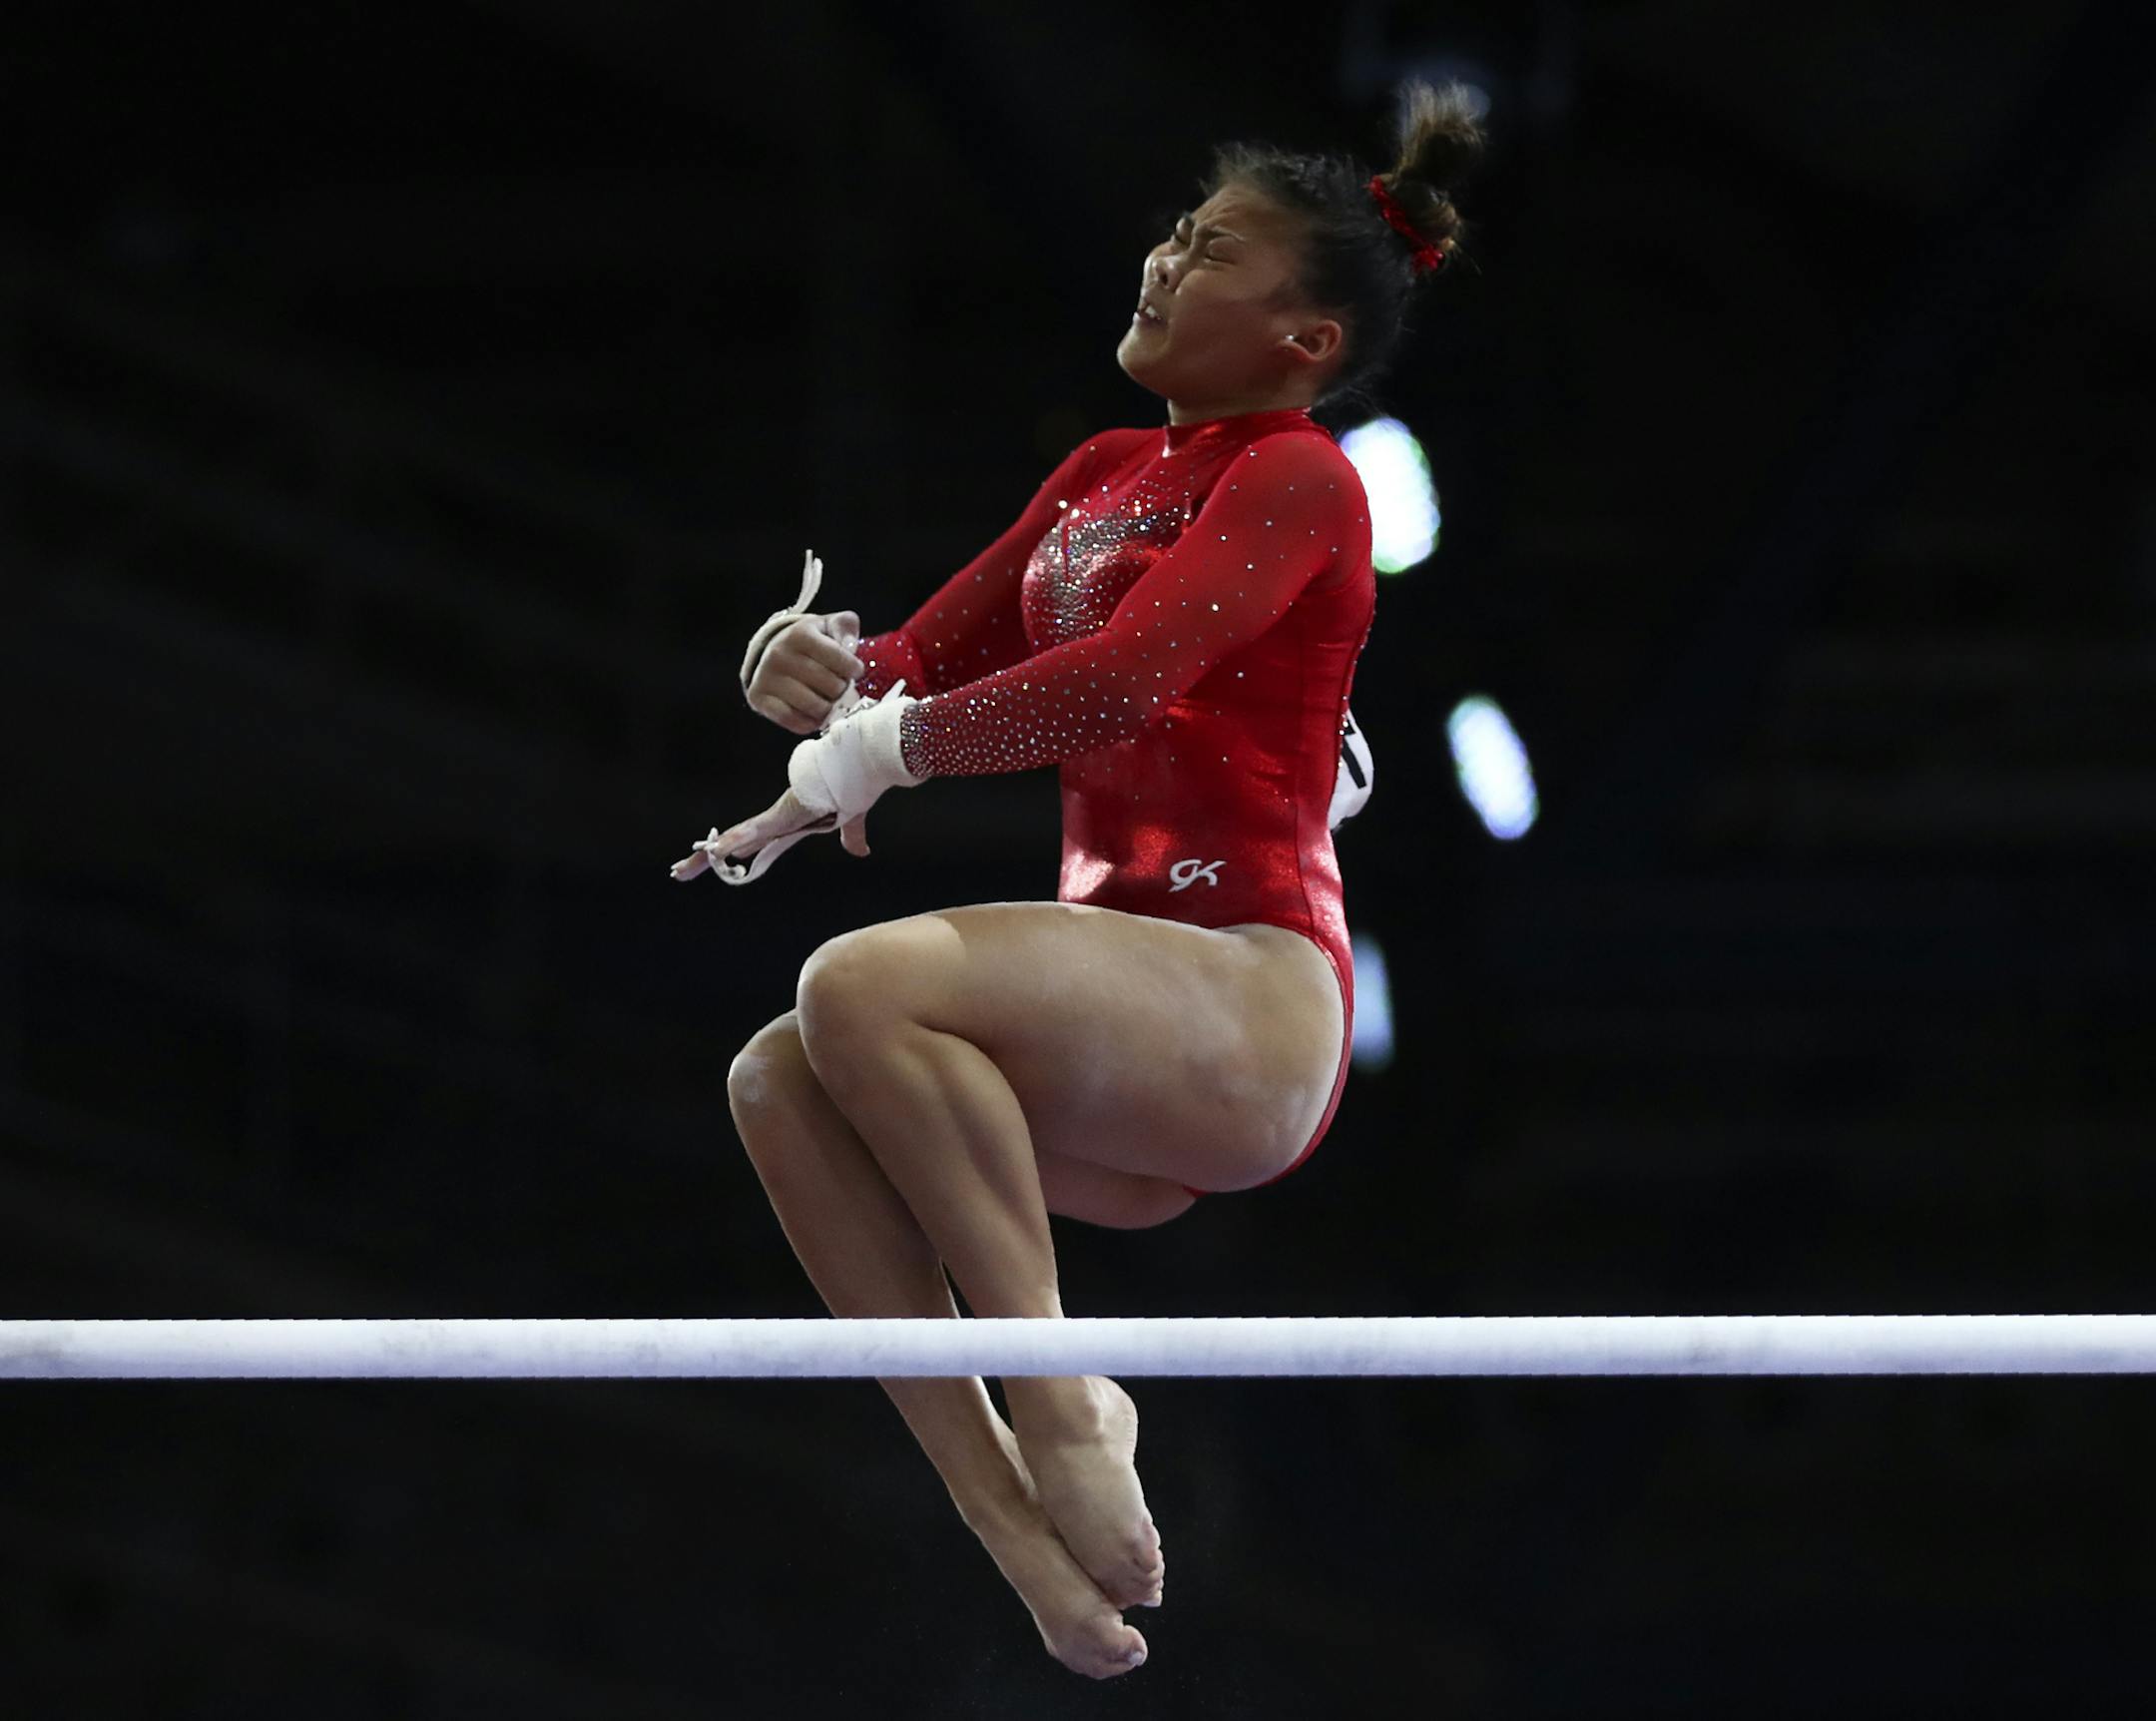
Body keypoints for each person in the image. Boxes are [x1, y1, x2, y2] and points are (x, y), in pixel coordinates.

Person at [677, 81, 1483, 1681]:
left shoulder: (1301, 478)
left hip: (1249, 1004)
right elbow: (906, 670)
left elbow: (1120, 685)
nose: (1168, 258)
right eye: (1178, 229)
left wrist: (880, 753)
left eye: (1216, 250)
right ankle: (1009, 1520)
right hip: (1107, 1037)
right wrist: (807, 670)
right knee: (780, 1079)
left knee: (857, 983)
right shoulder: (1103, 472)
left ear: (1304, 339)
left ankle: (1059, 1397)